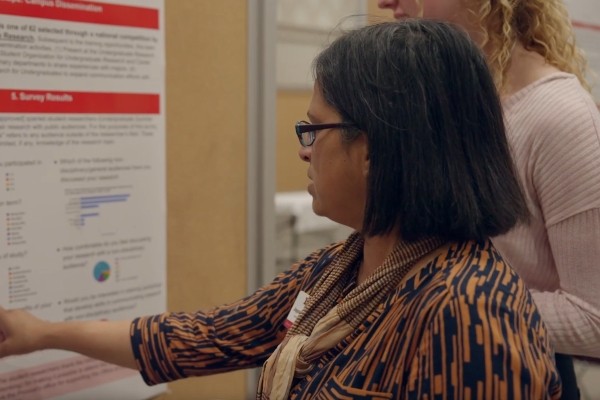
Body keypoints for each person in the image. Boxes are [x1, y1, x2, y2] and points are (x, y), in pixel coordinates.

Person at [0, 20, 562, 398]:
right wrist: (42, 333)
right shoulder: (341, 267)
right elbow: (201, 336)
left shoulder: (468, 311)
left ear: (374, 148)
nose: (302, 148)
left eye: (314, 129)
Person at [377, 1, 600, 398]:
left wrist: (435, 301)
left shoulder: (560, 116)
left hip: (518, 372)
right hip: (437, 363)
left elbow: (593, 320)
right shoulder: (448, 100)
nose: (384, 1)